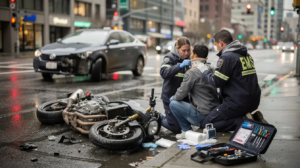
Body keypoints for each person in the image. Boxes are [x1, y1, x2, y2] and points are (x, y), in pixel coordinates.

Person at [197, 30, 267, 132]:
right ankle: (250, 118)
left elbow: (216, 82)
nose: (216, 48)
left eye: (216, 45)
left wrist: (204, 70)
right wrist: (214, 67)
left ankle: (245, 121)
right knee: (219, 116)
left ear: (221, 43)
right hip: (253, 101)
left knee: (207, 123)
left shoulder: (226, 57)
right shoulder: (246, 55)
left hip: (237, 103)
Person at [169, 44, 220, 139]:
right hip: (214, 113)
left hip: (202, 115)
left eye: (191, 52)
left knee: (173, 104)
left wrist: (174, 98)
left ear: (195, 55)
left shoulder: (192, 72)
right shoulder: (210, 69)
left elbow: (181, 93)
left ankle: (186, 131)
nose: (190, 54)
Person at [160, 37, 191, 134]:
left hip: (182, 98)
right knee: (176, 129)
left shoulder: (189, 59)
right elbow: (164, 73)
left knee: (187, 127)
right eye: (183, 50)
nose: (186, 53)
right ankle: (158, 118)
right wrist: (179, 66)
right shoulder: (169, 58)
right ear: (177, 48)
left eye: (188, 50)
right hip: (169, 97)